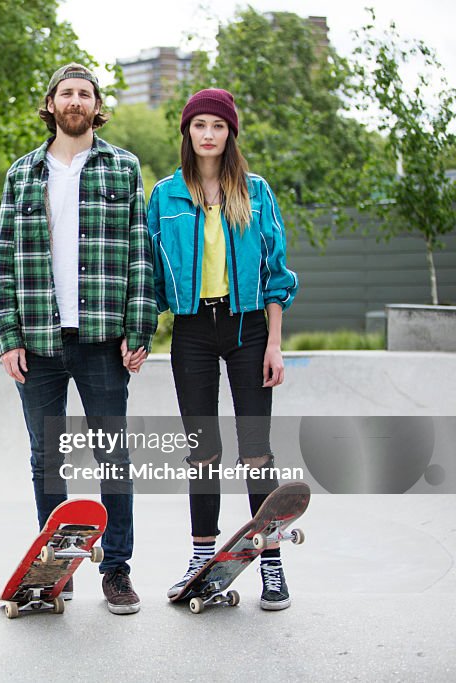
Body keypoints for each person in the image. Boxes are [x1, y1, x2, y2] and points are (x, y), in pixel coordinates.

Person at [0, 63, 158, 615]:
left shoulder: (123, 168)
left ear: (95, 106)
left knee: (114, 456)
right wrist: (6, 335)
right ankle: (51, 575)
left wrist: (141, 326)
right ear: (51, 103)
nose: (76, 100)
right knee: (47, 459)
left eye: (85, 93)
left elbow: (140, 253)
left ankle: (116, 570)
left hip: (103, 338)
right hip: (37, 338)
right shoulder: (22, 174)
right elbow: (3, 262)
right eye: (67, 92)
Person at [147, 88, 299, 610]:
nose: (207, 133)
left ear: (230, 132)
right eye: (198, 125)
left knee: (256, 451)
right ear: (187, 133)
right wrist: (140, 333)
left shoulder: (256, 192)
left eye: (217, 125)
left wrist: (274, 345)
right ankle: (201, 556)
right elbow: (146, 275)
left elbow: (277, 275)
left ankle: (271, 562)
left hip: (247, 329)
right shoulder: (165, 195)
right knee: (203, 452)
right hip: (191, 330)